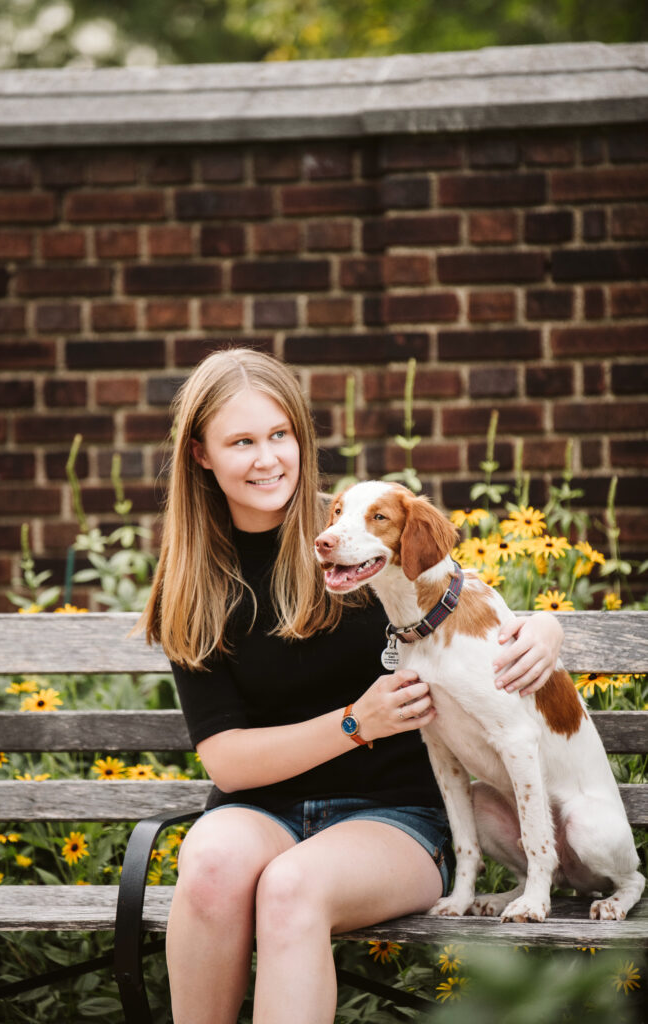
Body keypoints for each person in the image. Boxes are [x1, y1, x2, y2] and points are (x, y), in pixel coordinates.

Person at [140, 347, 564, 1024]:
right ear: (200, 455)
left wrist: (543, 629)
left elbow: (465, 596)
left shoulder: (359, 531)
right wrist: (355, 721)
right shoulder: (193, 583)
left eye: (280, 435)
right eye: (241, 442)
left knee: (291, 887)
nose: (267, 458)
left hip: (396, 813)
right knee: (212, 867)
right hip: (260, 810)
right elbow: (226, 759)